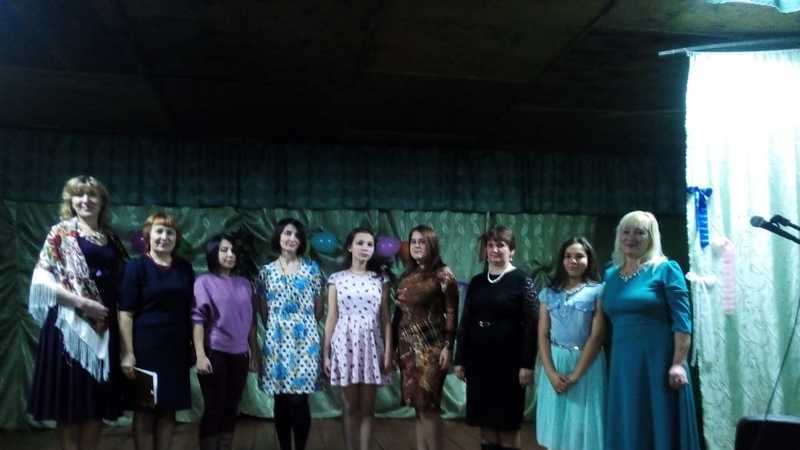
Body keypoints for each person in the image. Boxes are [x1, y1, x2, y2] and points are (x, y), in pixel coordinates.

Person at [28, 176, 127, 450]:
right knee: (69, 406)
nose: (86, 200)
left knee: (95, 404)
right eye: (79, 195)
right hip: (67, 330)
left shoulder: (112, 239)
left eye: (92, 194)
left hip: (104, 331)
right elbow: (41, 280)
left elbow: (123, 280)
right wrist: (82, 303)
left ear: (102, 201)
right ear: (70, 201)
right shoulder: (60, 234)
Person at [602, 211, 701, 450]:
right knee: (629, 422)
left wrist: (678, 363)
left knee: (659, 423)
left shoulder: (666, 269)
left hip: (658, 361)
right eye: (626, 231)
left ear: (651, 237)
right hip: (622, 364)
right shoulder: (610, 274)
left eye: (639, 232)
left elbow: (682, 322)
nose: (631, 238)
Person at [453, 225, 537, 450]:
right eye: (490, 245)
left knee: (508, 427)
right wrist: (460, 359)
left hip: (509, 365)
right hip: (479, 362)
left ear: (512, 250)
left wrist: (527, 364)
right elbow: (466, 321)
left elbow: (532, 325)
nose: (494, 250)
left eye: (501, 245)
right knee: (486, 427)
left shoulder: (522, 280)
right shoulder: (477, 281)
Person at [119, 212, 195, 450]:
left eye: (169, 232)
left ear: (176, 238)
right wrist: (127, 353)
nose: (164, 237)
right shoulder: (136, 267)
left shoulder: (184, 268)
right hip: (145, 350)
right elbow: (125, 313)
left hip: (176, 351)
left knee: (168, 411)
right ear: (148, 236)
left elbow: (191, 310)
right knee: (144, 411)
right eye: (159, 231)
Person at [256, 218, 323, 450]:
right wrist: (280, 327)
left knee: (299, 399)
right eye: (287, 233)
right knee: (281, 399)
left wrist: (301, 326)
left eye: (297, 235)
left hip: (305, 341)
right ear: (278, 236)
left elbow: (318, 309)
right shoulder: (265, 272)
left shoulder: (312, 269)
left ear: (301, 241)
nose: (292, 238)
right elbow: (263, 311)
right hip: (276, 341)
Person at [323, 227, 392, 450]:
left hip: (372, 345)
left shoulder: (380, 279)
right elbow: (331, 317)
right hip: (345, 344)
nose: (365, 248)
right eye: (360, 243)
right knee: (350, 406)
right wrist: (326, 354)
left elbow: (385, 318)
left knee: (368, 408)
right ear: (349, 247)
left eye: (370, 244)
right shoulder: (337, 279)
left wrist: (388, 351)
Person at [535, 237, 606, 450]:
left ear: (589, 259)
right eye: (568, 256)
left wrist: (575, 375)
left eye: (579, 256)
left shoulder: (598, 291)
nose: (573, 261)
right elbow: (542, 335)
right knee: (556, 427)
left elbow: (597, 336)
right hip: (555, 362)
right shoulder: (548, 293)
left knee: (581, 426)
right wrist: (551, 373)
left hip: (585, 364)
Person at [393, 225, 459, 450]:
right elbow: (398, 314)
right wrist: (394, 348)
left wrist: (448, 346)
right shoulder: (406, 275)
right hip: (407, 349)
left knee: (429, 408)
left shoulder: (444, 274)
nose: (417, 246)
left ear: (432, 244)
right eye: (413, 242)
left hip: (431, 349)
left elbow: (452, 312)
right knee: (418, 408)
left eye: (422, 241)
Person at [193, 234, 256, 450]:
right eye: (224, 250)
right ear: (213, 253)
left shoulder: (245, 283)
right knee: (214, 406)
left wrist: (254, 354)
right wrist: (200, 355)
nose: (230, 254)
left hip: (240, 355)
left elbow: (252, 322)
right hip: (214, 352)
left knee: (232, 406)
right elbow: (198, 320)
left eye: (233, 251)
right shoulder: (203, 282)